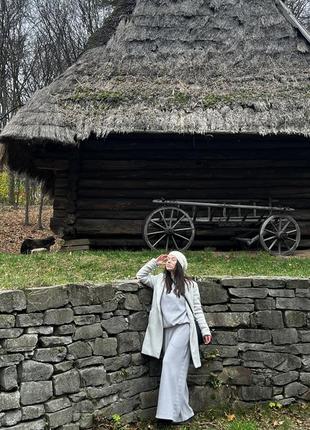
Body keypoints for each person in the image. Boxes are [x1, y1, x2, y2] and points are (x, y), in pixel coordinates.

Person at [136, 250, 212, 424]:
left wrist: (205, 330)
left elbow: (197, 310)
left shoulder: (190, 285)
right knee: (176, 371)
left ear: (180, 265)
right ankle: (184, 413)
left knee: (169, 363)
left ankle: (166, 416)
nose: (169, 261)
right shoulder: (160, 281)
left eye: (173, 259)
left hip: (184, 328)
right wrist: (155, 262)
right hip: (167, 331)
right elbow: (140, 276)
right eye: (168, 258)